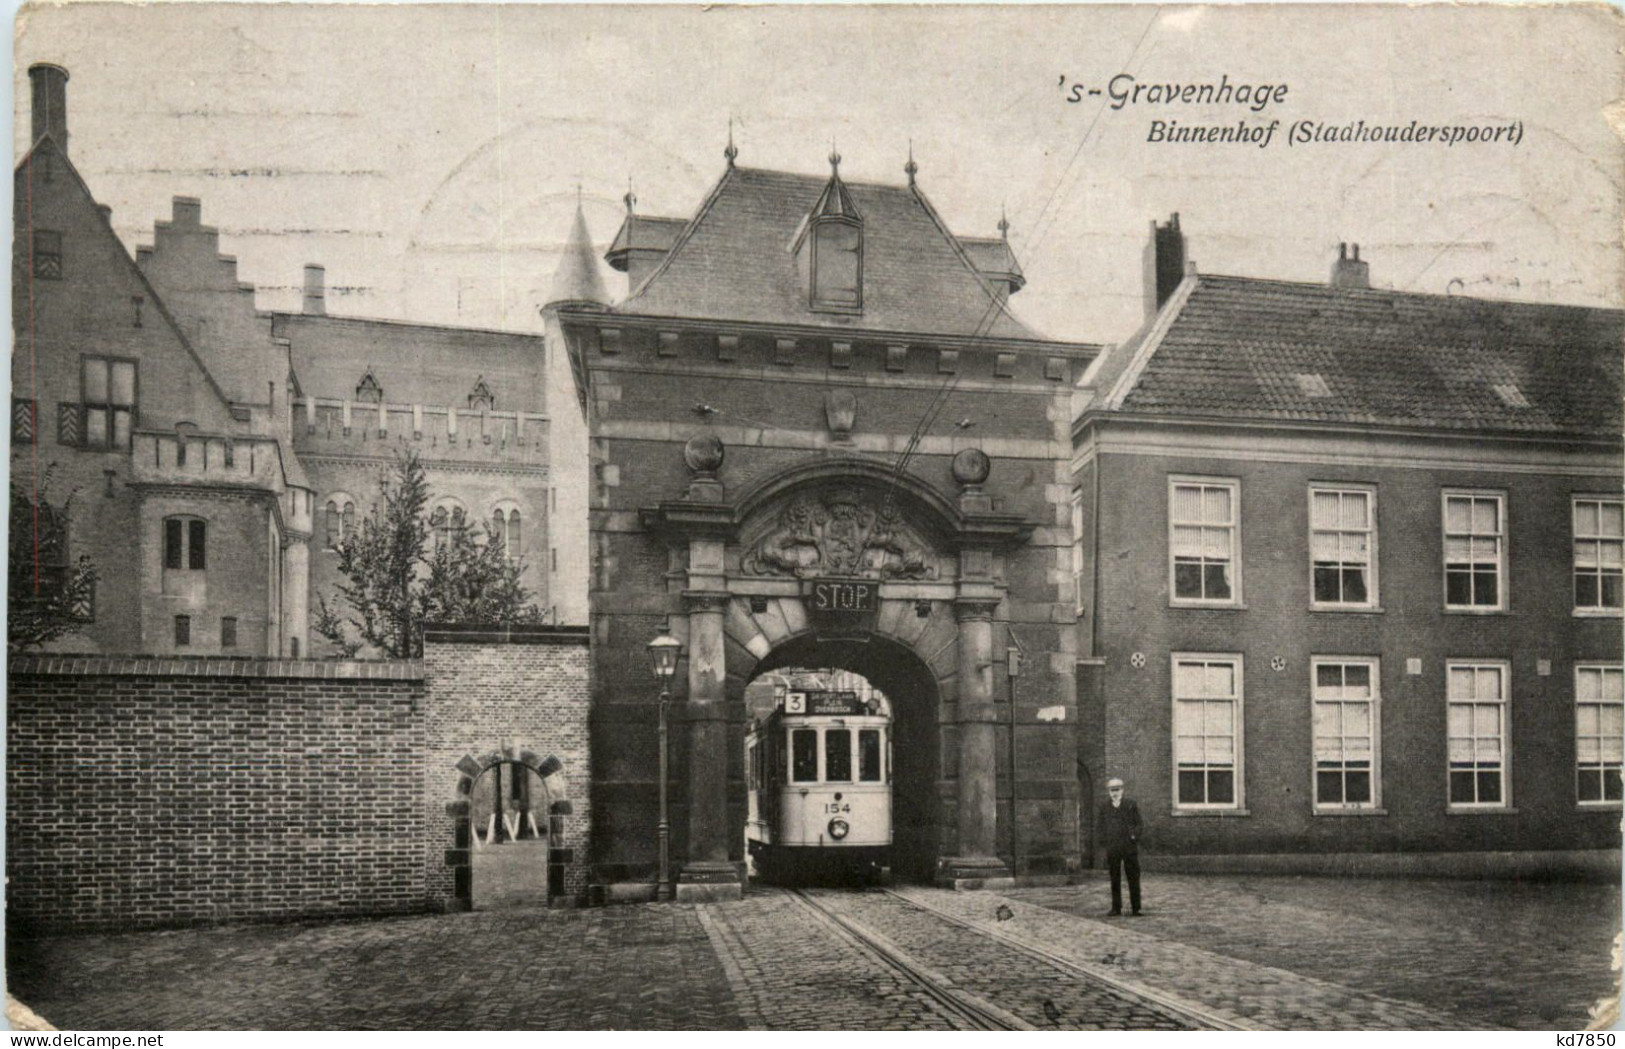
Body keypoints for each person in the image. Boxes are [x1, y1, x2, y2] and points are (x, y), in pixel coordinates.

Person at [1098, 776, 1142, 916]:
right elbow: (1100, 826)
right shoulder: (1104, 807)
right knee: (1114, 877)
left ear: (1122, 790)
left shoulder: (1130, 805)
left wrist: (1134, 835)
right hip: (1113, 848)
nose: (1114, 793)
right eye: (1111, 790)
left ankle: (1136, 908)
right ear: (1108, 792)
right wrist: (1105, 842)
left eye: (1116, 789)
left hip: (1129, 847)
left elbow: (1139, 824)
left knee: (1133, 877)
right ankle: (1116, 907)